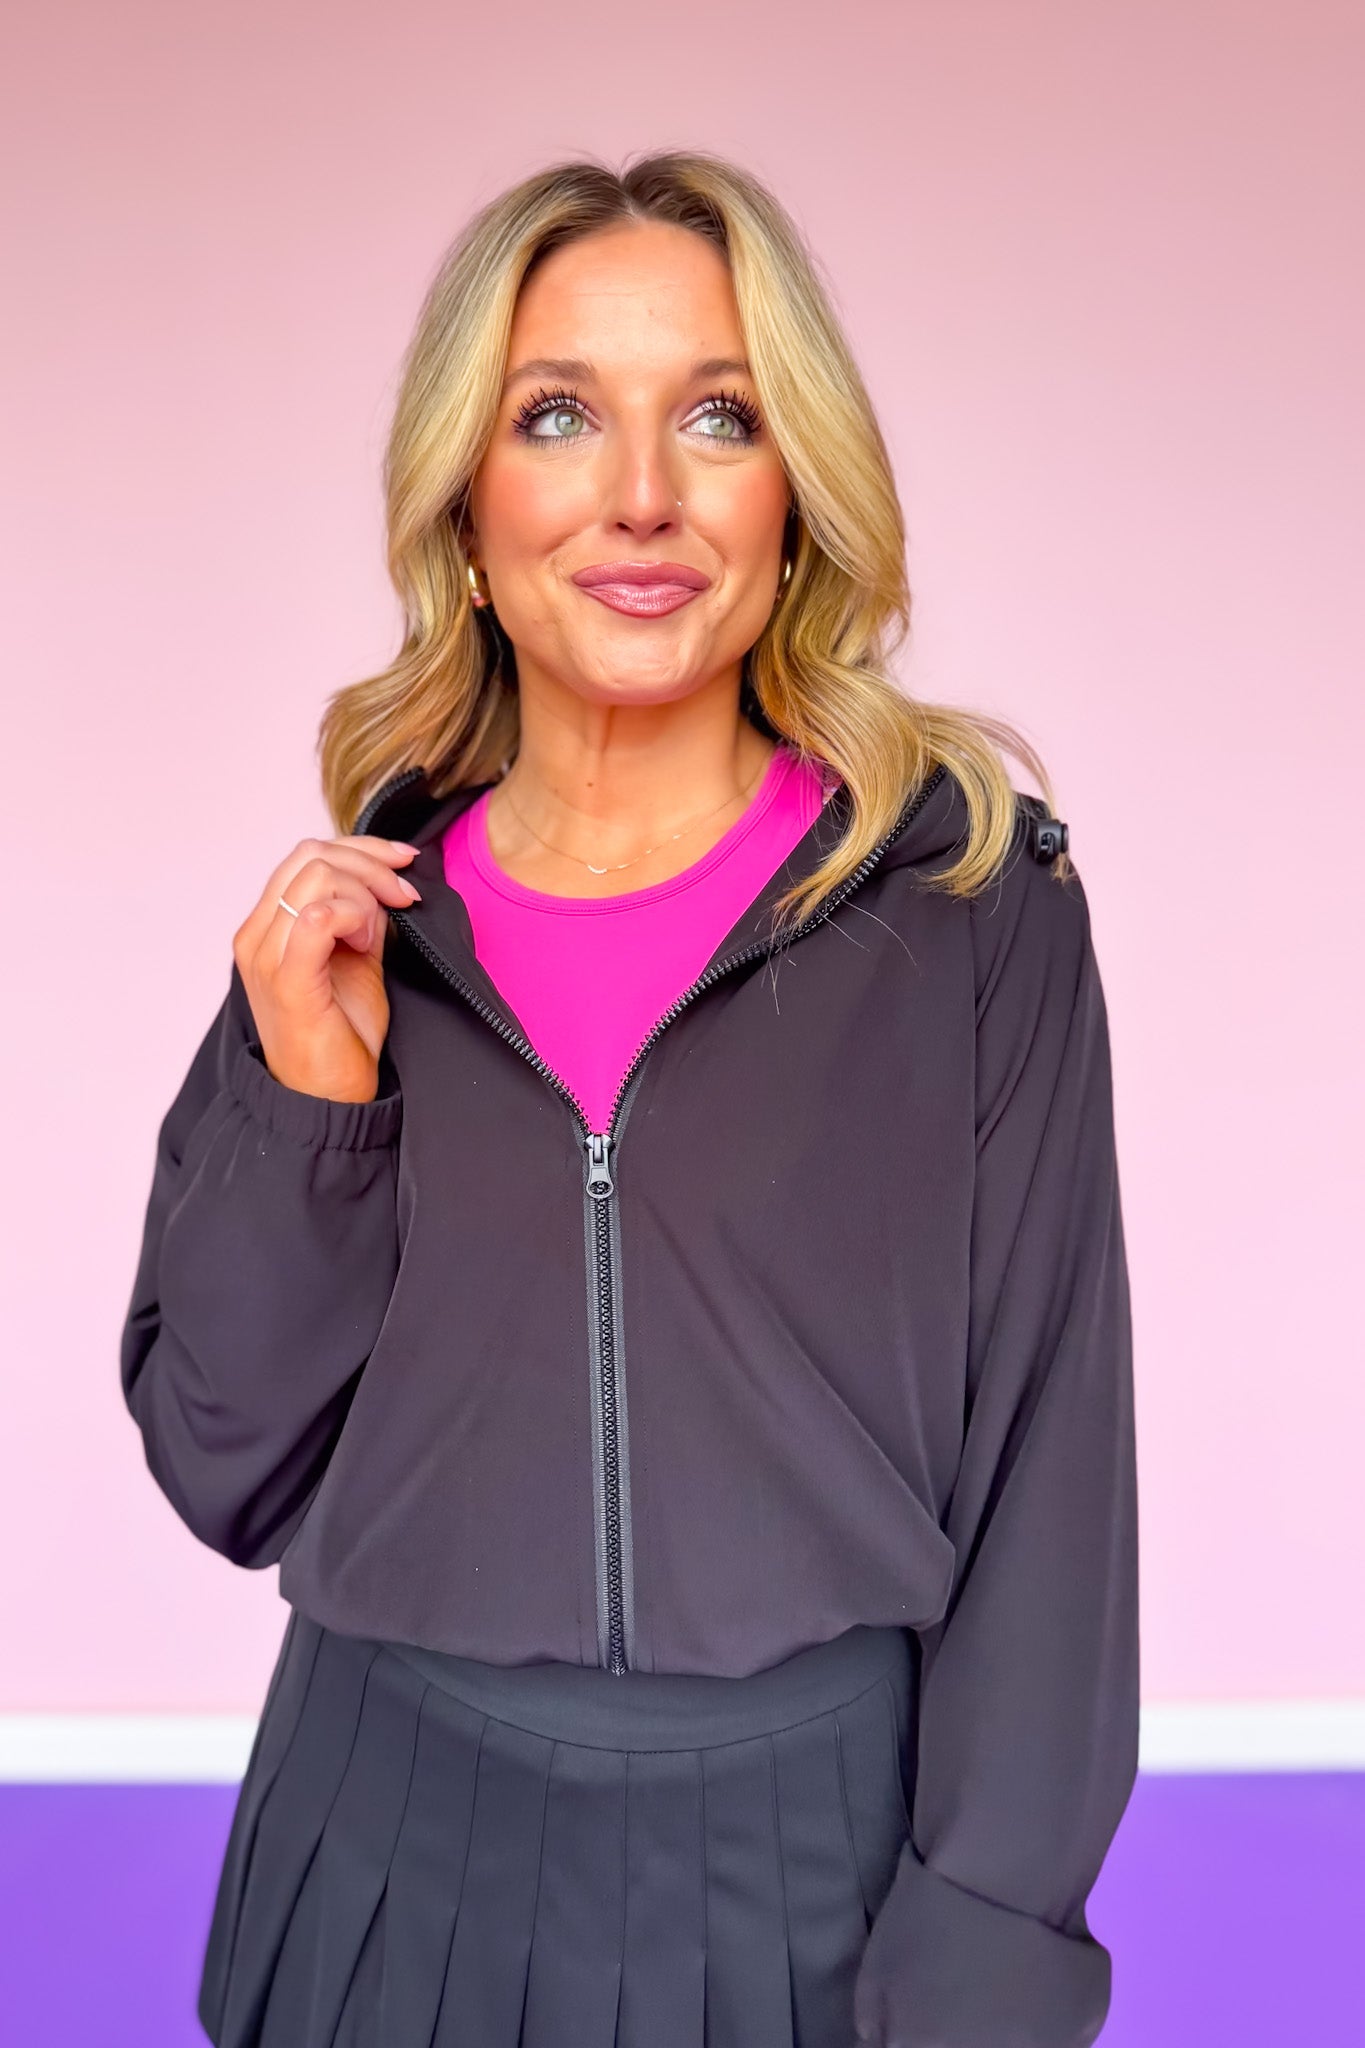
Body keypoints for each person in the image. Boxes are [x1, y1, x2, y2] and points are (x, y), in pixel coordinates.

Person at [120, 150, 1139, 2048]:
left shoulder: (969, 909)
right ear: (466, 502)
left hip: (814, 1880)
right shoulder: (362, 933)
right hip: (380, 1862)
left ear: (794, 494)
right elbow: (221, 1465)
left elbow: (1048, 1477)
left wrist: (990, 1955)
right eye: (559, 415)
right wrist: (314, 1106)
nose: (643, 494)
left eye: (721, 416)